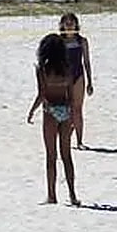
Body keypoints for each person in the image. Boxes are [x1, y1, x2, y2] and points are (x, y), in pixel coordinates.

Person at [27, 33, 80, 205]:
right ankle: (72, 194)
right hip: (65, 110)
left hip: (50, 112)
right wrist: (72, 117)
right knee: (66, 155)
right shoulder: (67, 68)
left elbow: (42, 94)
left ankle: (52, 195)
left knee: (51, 156)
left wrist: (32, 110)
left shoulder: (42, 69)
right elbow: (71, 96)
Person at [59, 12, 94, 148]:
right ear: (62, 25)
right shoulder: (59, 41)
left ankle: (79, 141)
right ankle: (65, 138)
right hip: (64, 77)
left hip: (78, 76)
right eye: (66, 23)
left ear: (76, 24)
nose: (69, 26)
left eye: (71, 23)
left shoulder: (82, 41)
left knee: (78, 110)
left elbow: (86, 62)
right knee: (66, 110)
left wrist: (90, 82)